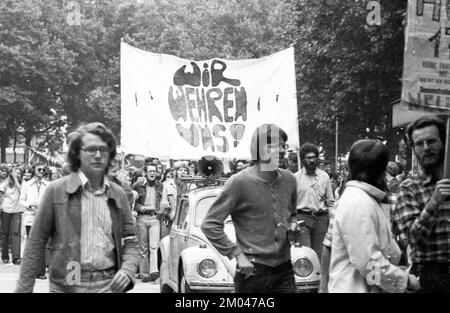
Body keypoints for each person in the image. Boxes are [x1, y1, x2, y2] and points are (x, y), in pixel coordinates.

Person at [15, 122, 139, 293]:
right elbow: (36, 242)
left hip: (109, 286)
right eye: (90, 149)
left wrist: (128, 270)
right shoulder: (56, 190)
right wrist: (24, 289)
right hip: (68, 284)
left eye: (103, 150)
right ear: (77, 154)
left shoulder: (118, 193)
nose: (97, 155)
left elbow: (131, 241)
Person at [201, 124, 298, 293]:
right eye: (274, 145)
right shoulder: (239, 182)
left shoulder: (289, 180)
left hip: (284, 270)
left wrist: (294, 226)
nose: (282, 150)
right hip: (252, 272)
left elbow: (293, 215)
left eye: (283, 145)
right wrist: (237, 254)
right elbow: (209, 224)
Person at [328, 139, 420, 293]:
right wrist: (405, 281)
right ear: (382, 172)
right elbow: (368, 264)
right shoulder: (359, 202)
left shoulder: (364, 198)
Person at [393, 115, 450, 293]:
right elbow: (412, 239)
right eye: (419, 143)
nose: (426, 148)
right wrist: (434, 203)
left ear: (444, 142)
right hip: (431, 277)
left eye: (431, 141)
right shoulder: (409, 189)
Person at [294, 142, 334, 259]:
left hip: (321, 218)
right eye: (308, 158)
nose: (312, 160)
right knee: (306, 254)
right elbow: (291, 203)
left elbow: (330, 201)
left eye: (314, 157)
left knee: (320, 254)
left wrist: (332, 220)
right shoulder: (295, 178)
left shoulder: (324, 176)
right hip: (302, 218)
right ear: (302, 159)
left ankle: (321, 277)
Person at [132, 163, 163, 283]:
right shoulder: (138, 185)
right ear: (145, 173)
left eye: (154, 171)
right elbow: (132, 202)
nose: (152, 173)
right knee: (143, 248)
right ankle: (144, 273)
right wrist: (141, 208)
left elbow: (163, 200)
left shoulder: (161, 186)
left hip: (155, 218)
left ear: (157, 173)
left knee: (154, 246)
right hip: (142, 218)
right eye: (150, 171)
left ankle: (154, 272)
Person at [0, 167, 23, 265]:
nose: (16, 174)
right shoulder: (5, 183)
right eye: (15, 173)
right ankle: (5, 256)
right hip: (5, 210)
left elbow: (22, 191)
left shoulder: (22, 184)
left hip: (17, 211)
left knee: (16, 233)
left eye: (18, 173)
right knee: (5, 233)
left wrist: (16, 179)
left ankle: (16, 257)